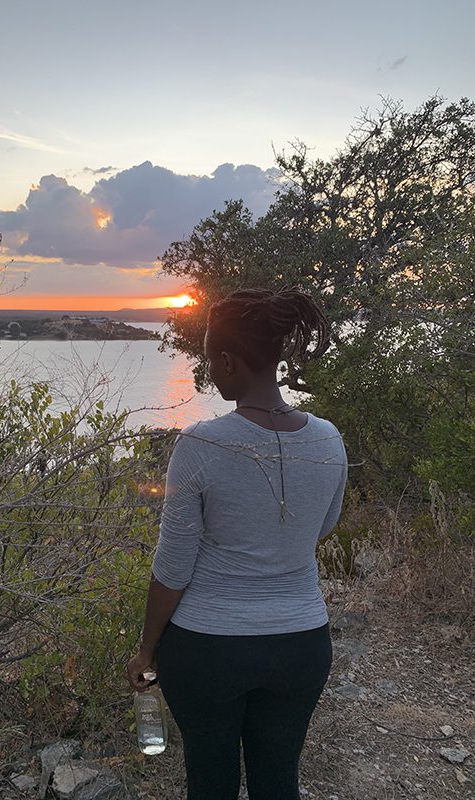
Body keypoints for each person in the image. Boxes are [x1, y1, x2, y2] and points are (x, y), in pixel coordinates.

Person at [127, 287, 348, 800]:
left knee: (211, 778)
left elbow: (173, 568)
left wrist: (146, 649)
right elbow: (322, 526)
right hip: (302, 645)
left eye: (210, 360)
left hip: (209, 650)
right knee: (279, 778)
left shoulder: (201, 444)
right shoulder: (329, 439)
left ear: (228, 361)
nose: (211, 371)